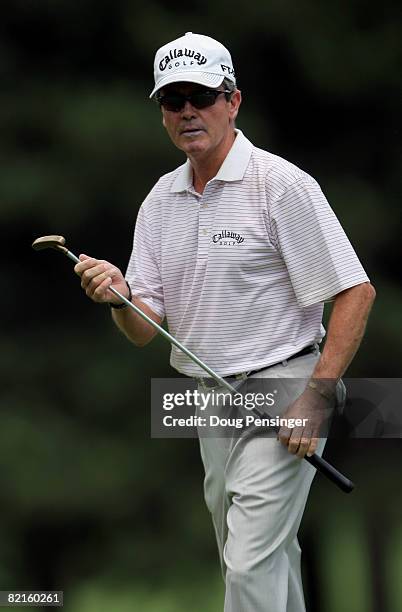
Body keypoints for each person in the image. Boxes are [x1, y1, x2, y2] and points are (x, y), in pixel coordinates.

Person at [74, 32, 376, 612]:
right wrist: (119, 298)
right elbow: (145, 329)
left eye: (202, 95)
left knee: (249, 562)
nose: (188, 110)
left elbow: (356, 292)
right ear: (162, 113)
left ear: (233, 101)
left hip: (285, 386)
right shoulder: (160, 201)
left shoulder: (280, 185)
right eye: (172, 99)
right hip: (207, 399)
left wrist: (317, 396)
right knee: (264, 559)